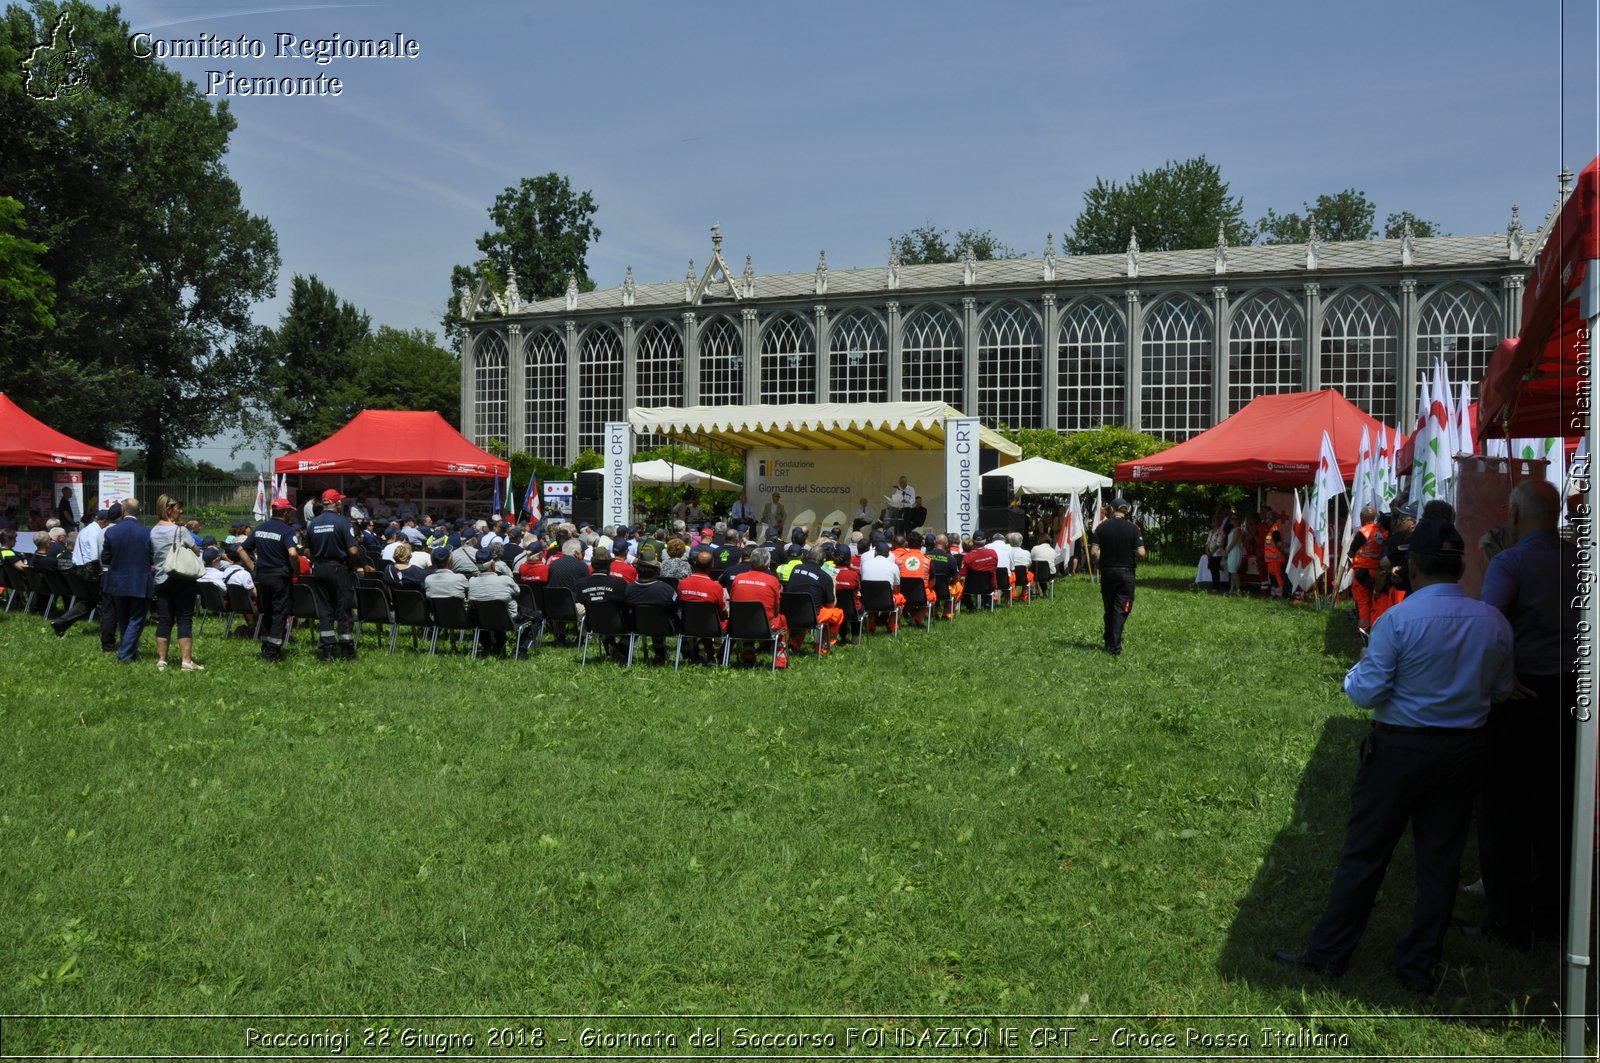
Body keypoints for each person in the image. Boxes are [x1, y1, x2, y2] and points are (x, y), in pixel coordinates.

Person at [1275, 519, 1513, 994]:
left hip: (1400, 748)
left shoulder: (1398, 621)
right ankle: (1418, 965)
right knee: (1440, 861)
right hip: (1463, 749)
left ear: (1412, 565)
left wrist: (1352, 674)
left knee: (1365, 854)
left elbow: (1365, 692)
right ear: (1461, 565)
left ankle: (1329, 955)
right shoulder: (1493, 620)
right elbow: (1502, 690)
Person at [1475, 478, 1581, 948]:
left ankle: (1508, 920)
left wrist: (1502, 675)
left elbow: (1488, 625)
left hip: (1519, 697)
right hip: (1569, 698)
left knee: (1505, 811)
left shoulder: (1510, 561)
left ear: (1515, 514)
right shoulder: (1580, 560)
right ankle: (1555, 914)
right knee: (1557, 809)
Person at [150, 494, 204, 672]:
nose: (181, 511)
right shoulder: (180, 531)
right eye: (178, 508)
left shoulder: (153, 530)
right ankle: (186, 661)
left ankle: (162, 660)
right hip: (181, 578)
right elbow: (196, 550)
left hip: (161, 579)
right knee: (184, 619)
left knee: (164, 619)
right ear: (169, 510)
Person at [240, 500, 299, 662]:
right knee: (279, 612)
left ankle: (266, 644)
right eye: (290, 512)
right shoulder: (287, 531)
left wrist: (253, 567)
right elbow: (293, 553)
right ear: (285, 513)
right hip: (279, 577)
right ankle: (272, 651)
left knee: (266, 611)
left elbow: (241, 549)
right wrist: (296, 570)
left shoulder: (260, 528)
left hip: (262, 577)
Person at [305, 488, 359, 661]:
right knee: (343, 609)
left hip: (319, 569)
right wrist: (352, 565)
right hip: (338, 568)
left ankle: (327, 649)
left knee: (324, 609)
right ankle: (347, 651)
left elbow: (307, 550)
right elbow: (353, 549)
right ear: (337, 504)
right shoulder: (343, 522)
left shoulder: (313, 523)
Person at [100, 497, 152, 664]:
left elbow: (105, 558)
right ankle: (125, 654)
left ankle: (129, 651)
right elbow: (152, 556)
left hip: (118, 580)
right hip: (140, 580)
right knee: (136, 619)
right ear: (139, 511)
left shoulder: (111, 531)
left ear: (123, 510)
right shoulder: (146, 531)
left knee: (123, 618)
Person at [1091, 498, 1145, 656]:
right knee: (1121, 609)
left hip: (1107, 572)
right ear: (1125, 511)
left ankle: (1109, 638)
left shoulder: (1102, 527)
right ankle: (1114, 647)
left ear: (1112, 510)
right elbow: (1141, 552)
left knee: (1109, 607)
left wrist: (1098, 563)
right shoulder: (1133, 528)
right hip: (1126, 573)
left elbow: (1094, 552)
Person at [50, 506, 112, 643]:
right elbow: (95, 554)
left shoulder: (87, 530)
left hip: (81, 569)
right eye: (107, 522)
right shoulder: (95, 533)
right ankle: (107, 631)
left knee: (88, 602)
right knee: (103, 601)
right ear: (103, 521)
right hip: (91, 570)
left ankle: (60, 623)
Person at [729, 546, 787, 667]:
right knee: (782, 620)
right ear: (768, 564)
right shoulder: (773, 581)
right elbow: (776, 608)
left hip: (737, 625)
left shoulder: (738, 578)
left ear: (750, 561)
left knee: (748, 616)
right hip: (764, 626)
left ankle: (748, 652)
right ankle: (780, 660)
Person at [467, 547, 520, 656]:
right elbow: (517, 592)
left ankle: (488, 646)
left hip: (482, 620)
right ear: (492, 565)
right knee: (536, 617)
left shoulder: (471, 582)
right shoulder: (505, 580)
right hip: (508, 619)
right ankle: (522, 649)